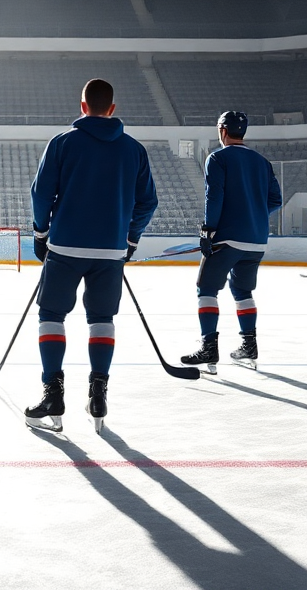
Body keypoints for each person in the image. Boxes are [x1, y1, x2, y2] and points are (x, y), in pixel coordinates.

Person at [26, 78, 157, 433]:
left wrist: (40, 233)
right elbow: (147, 203)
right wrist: (130, 239)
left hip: (65, 247)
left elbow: (41, 194)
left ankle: (53, 395)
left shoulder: (62, 142)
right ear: (112, 109)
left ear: (83, 107)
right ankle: (98, 395)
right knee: (101, 318)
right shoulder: (134, 150)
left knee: (51, 315)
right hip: (110, 250)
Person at [180, 111, 282, 372]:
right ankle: (249, 344)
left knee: (206, 289)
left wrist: (208, 230)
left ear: (222, 130)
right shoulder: (262, 162)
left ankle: (208, 347)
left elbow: (214, 196)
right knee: (243, 292)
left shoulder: (218, 158)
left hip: (227, 239)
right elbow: (275, 200)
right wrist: (252, 215)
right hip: (256, 240)